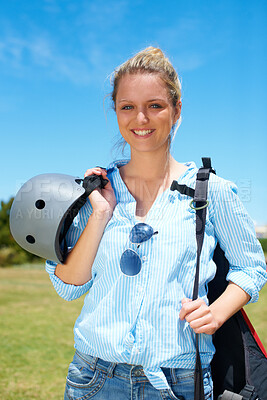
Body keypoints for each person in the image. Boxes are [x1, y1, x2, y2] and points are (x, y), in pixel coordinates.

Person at [46, 47, 267, 400]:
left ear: (177, 110)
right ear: (116, 111)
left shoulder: (213, 192)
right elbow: (68, 286)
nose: (141, 119)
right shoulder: (94, 191)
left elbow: (252, 268)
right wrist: (102, 213)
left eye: (155, 105)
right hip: (95, 377)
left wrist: (216, 311)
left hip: (179, 381)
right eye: (127, 107)